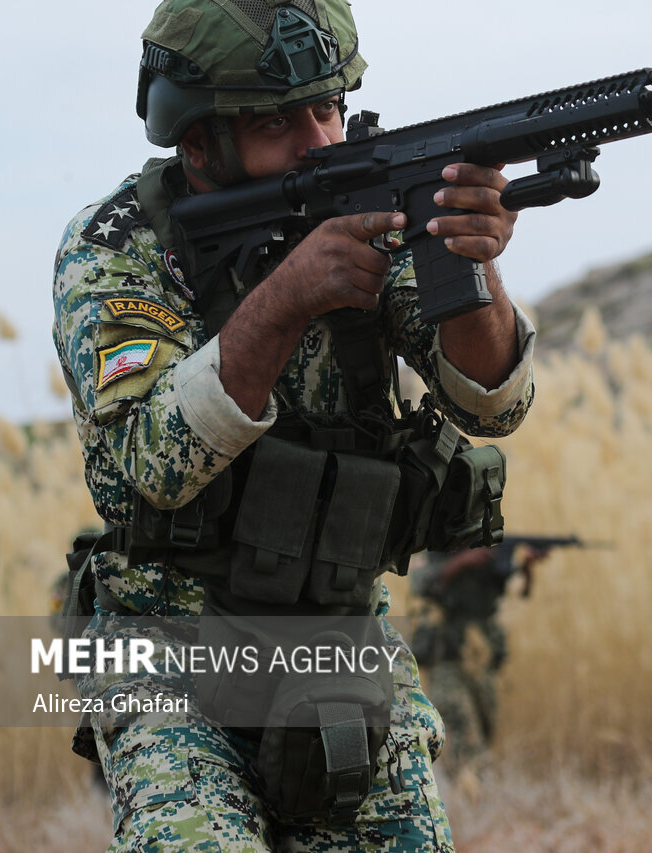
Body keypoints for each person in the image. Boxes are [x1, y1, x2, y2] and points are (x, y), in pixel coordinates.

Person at [51, 1, 535, 849]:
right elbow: (154, 463)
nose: (319, 142)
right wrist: (290, 294)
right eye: (279, 122)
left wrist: (473, 266)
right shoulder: (117, 248)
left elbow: (492, 403)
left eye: (329, 107)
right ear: (197, 142)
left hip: (338, 648)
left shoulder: (369, 213)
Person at [410, 544, 548, 765]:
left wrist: (526, 566)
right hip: (445, 653)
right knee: (460, 722)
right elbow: (421, 584)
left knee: (486, 726)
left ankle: (472, 783)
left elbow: (520, 591)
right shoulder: (433, 552)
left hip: (482, 654)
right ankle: (465, 784)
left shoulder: (490, 550)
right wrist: (462, 562)